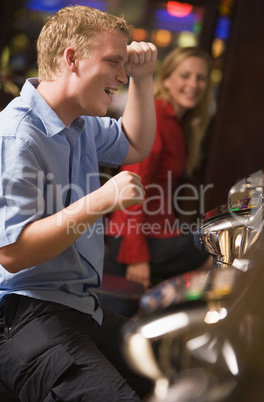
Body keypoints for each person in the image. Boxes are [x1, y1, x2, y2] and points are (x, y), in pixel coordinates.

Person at [0, 5, 158, 402]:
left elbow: (136, 143)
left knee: (177, 364)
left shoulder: (79, 124)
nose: (121, 75)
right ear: (71, 58)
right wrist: (100, 200)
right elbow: (13, 253)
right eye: (113, 62)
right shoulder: (18, 135)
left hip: (80, 308)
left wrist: (143, 78)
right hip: (22, 315)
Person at [105, 46, 214, 289]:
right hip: (132, 237)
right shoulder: (155, 118)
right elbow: (131, 185)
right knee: (219, 256)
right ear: (166, 79)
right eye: (185, 76)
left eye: (201, 77)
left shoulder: (178, 123)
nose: (193, 84)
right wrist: (136, 257)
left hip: (156, 232)